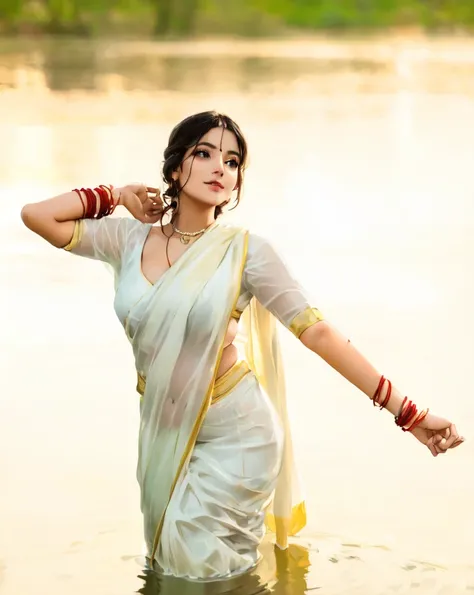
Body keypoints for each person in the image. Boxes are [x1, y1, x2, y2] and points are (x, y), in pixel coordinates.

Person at [20, 110, 464, 581]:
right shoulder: (126, 240)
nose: (219, 169)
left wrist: (408, 412)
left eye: (232, 162)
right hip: (164, 433)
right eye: (204, 153)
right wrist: (117, 194)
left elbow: (318, 333)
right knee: (169, 565)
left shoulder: (246, 252)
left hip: (238, 434)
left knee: (200, 571)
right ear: (174, 168)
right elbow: (37, 216)